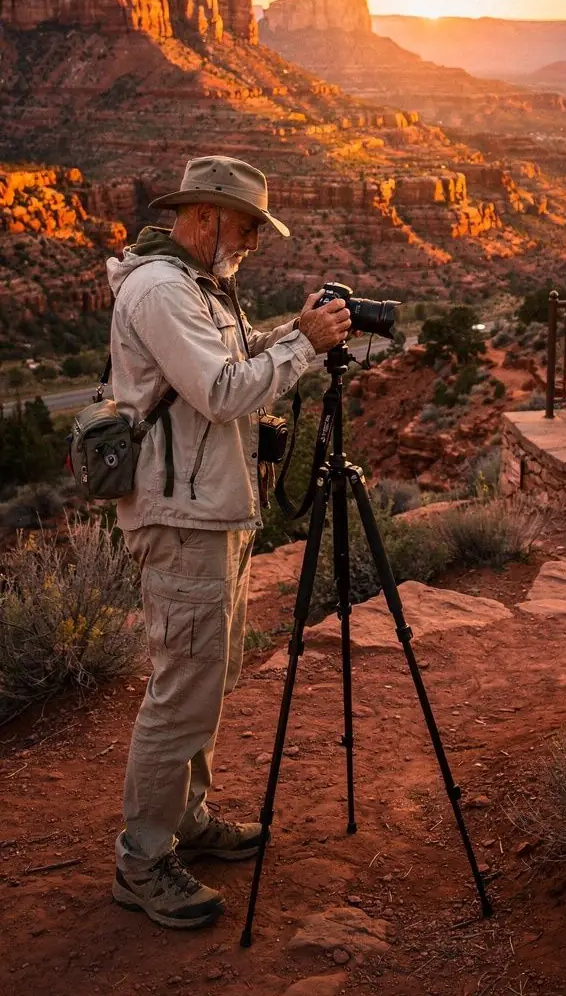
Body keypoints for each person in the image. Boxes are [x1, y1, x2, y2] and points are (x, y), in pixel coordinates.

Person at [107, 156, 352, 930]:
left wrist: (291, 332)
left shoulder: (202, 285)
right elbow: (219, 391)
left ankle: (186, 819)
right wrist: (303, 346)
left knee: (207, 680)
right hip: (182, 519)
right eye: (247, 227)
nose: (252, 242)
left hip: (211, 511)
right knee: (182, 686)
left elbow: (236, 364)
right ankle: (143, 858)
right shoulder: (161, 290)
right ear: (206, 216)